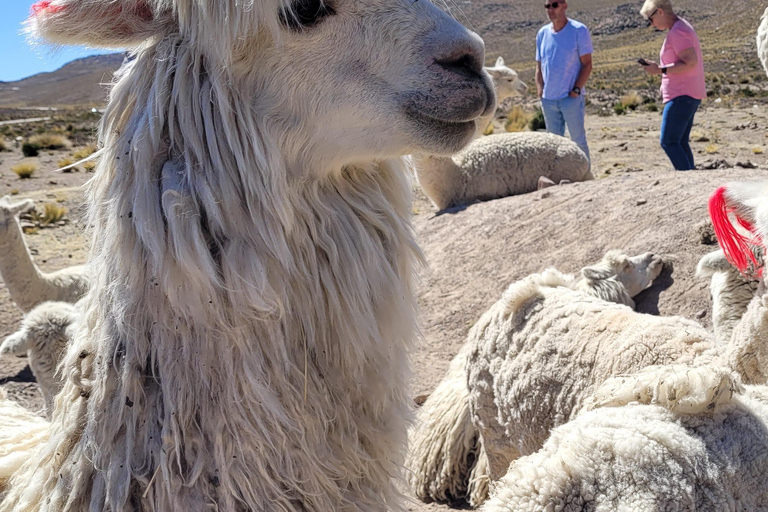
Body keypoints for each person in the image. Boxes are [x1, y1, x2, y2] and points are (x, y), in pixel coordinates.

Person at [639, 0, 706, 170]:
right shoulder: (681, 27)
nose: (651, 24)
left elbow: (690, 62)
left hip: (681, 94)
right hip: (687, 93)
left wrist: (660, 70)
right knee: (680, 142)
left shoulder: (678, 32)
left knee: (668, 141)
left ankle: (687, 179)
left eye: (650, 19)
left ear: (659, 12)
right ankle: (692, 178)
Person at [535, 0, 593, 164]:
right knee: (553, 143)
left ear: (564, 5)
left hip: (570, 98)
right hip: (549, 99)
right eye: (547, 6)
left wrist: (576, 89)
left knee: (578, 140)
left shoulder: (578, 30)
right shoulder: (542, 33)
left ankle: (585, 177)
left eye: (555, 5)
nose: (550, 9)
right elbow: (539, 66)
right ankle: (557, 179)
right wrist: (541, 91)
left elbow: (587, 64)